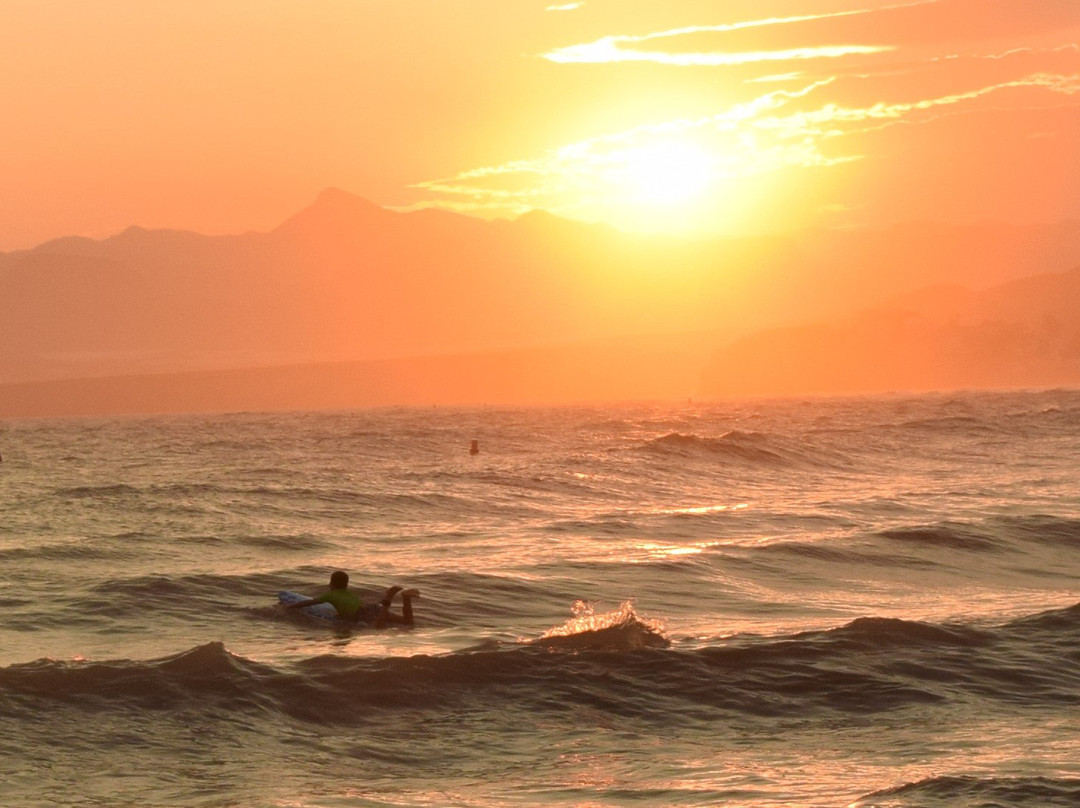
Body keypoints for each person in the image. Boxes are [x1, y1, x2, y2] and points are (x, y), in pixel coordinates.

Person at [284, 570, 419, 627]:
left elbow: (310, 602)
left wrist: (290, 607)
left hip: (362, 614)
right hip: (372, 608)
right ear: (346, 584)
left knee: (379, 627)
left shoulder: (330, 595)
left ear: (331, 584)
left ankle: (388, 598)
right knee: (408, 622)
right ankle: (406, 598)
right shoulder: (349, 593)